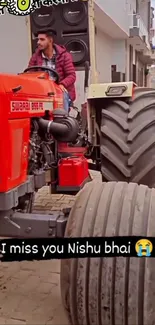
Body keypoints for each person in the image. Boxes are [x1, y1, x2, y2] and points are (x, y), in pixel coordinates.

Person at [28, 28, 76, 112]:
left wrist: (62, 85)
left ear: (50, 40)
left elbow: (71, 76)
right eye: (38, 39)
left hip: (59, 89)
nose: (38, 42)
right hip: (42, 90)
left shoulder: (64, 55)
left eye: (42, 39)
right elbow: (29, 75)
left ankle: (62, 121)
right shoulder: (35, 57)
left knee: (62, 95)